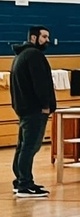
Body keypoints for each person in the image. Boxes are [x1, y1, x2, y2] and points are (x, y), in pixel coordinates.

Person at [10, 25, 55, 198]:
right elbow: (40, 83)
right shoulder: (35, 55)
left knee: (23, 146)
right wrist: (45, 104)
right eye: (44, 37)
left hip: (24, 108)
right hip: (35, 109)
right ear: (34, 38)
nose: (47, 40)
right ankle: (24, 184)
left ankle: (21, 180)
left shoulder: (20, 55)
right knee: (30, 146)